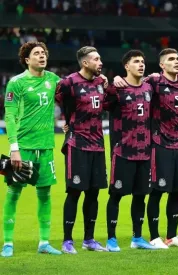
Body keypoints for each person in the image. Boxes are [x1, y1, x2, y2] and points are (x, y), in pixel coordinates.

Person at [2, 42, 62, 257]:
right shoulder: (16, 83)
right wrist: (14, 148)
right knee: (13, 193)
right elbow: (9, 116)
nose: (42, 56)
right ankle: (8, 242)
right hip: (24, 148)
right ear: (27, 60)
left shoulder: (54, 80)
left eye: (44, 53)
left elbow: (77, 91)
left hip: (46, 147)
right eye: (36, 53)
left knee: (45, 195)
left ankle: (44, 242)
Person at [55, 46, 108, 254]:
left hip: (98, 145)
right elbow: (57, 100)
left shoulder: (101, 83)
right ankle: (67, 240)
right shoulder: (68, 82)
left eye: (100, 58)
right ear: (85, 62)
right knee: (75, 192)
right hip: (77, 143)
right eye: (96, 59)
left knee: (94, 193)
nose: (100, 62)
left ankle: (89, 239)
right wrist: (65, 122)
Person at [104, 50, 155, 251]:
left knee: (141, 195)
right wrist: (112, 80)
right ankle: (111, 239)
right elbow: (99, 107)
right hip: (123, 150)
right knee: (116, 195)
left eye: (142, 61)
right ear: (126, 66)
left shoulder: (150, 88)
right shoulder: (116, 88)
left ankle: (137, 238)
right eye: (136, 62)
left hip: (145, 152)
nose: (141, 64)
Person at [145, 48, 178, 248]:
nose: (176, 61)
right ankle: (154, 236)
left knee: (176, 191)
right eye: (171, 59)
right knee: (157, 191)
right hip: (159, 144)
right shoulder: (154, 82)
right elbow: (135, 84)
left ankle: (171, 236)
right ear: (162, 65)